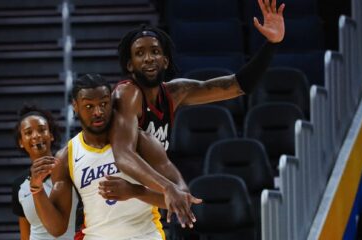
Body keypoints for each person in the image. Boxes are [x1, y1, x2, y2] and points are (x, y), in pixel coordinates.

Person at [110, 0, 285, 195]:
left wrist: (272, 44)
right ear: (130, 65)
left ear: (165, 61)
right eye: (140, 53)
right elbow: (123, 154)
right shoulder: (128, 93)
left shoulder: (174, 93)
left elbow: (239, 85)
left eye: (155, 52)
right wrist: (169, 188)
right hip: (113, 193)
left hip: (143, 198)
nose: (149, 58)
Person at [30, 74, 201, 240]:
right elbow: (57, 228)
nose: (98, 112)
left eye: (103, 104)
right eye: (89, 106)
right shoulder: (67, 157)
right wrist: (36, 189)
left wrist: (134, 191)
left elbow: (182, 197)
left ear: (111, 102)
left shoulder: (141, 141)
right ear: (75, 106)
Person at [11, 105, 78, 240]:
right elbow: (25, 235)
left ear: (51, 135)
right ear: (21, 142)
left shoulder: (70, 171)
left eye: (42, 130)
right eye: (28, 133)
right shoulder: (19, 185)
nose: (36, 136)